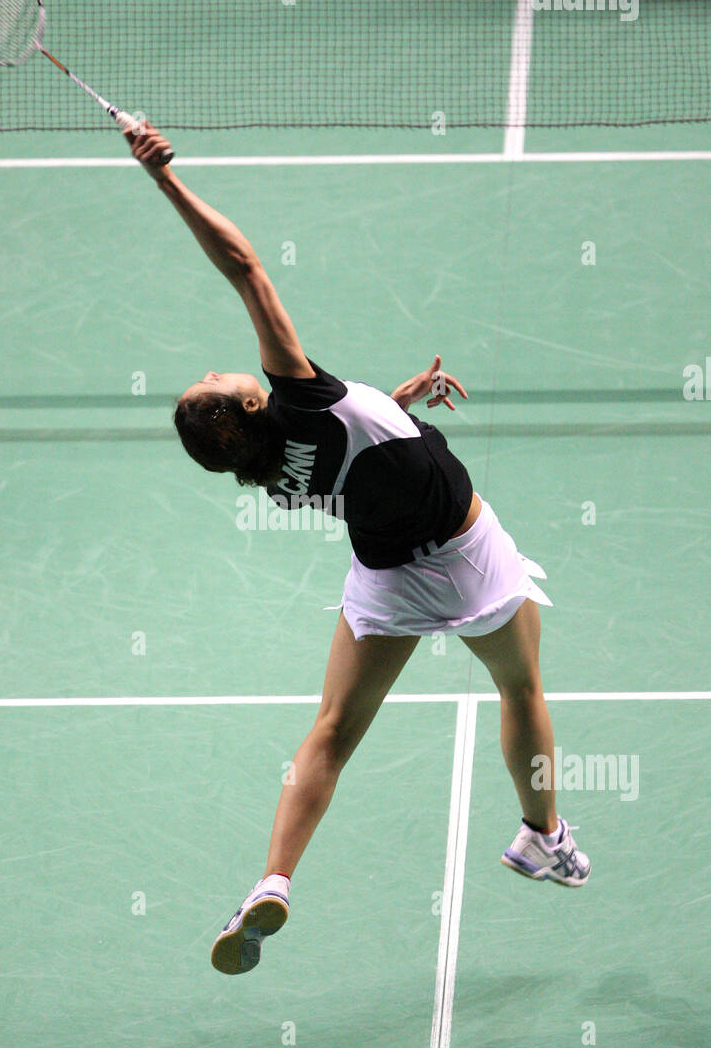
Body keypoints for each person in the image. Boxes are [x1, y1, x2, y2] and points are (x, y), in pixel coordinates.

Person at [123, 121, 591, 977]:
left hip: (385, 576)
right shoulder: (298, 397)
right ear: (254, 406)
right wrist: (163, 178)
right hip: (466, 552)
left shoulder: (272, 470)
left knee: (333, 730)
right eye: (216, 384)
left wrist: (396, 406)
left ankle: (272, 880)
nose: (216, 370)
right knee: (519, 686)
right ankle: (542, 835)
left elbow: (358, 443)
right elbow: (245, 268)